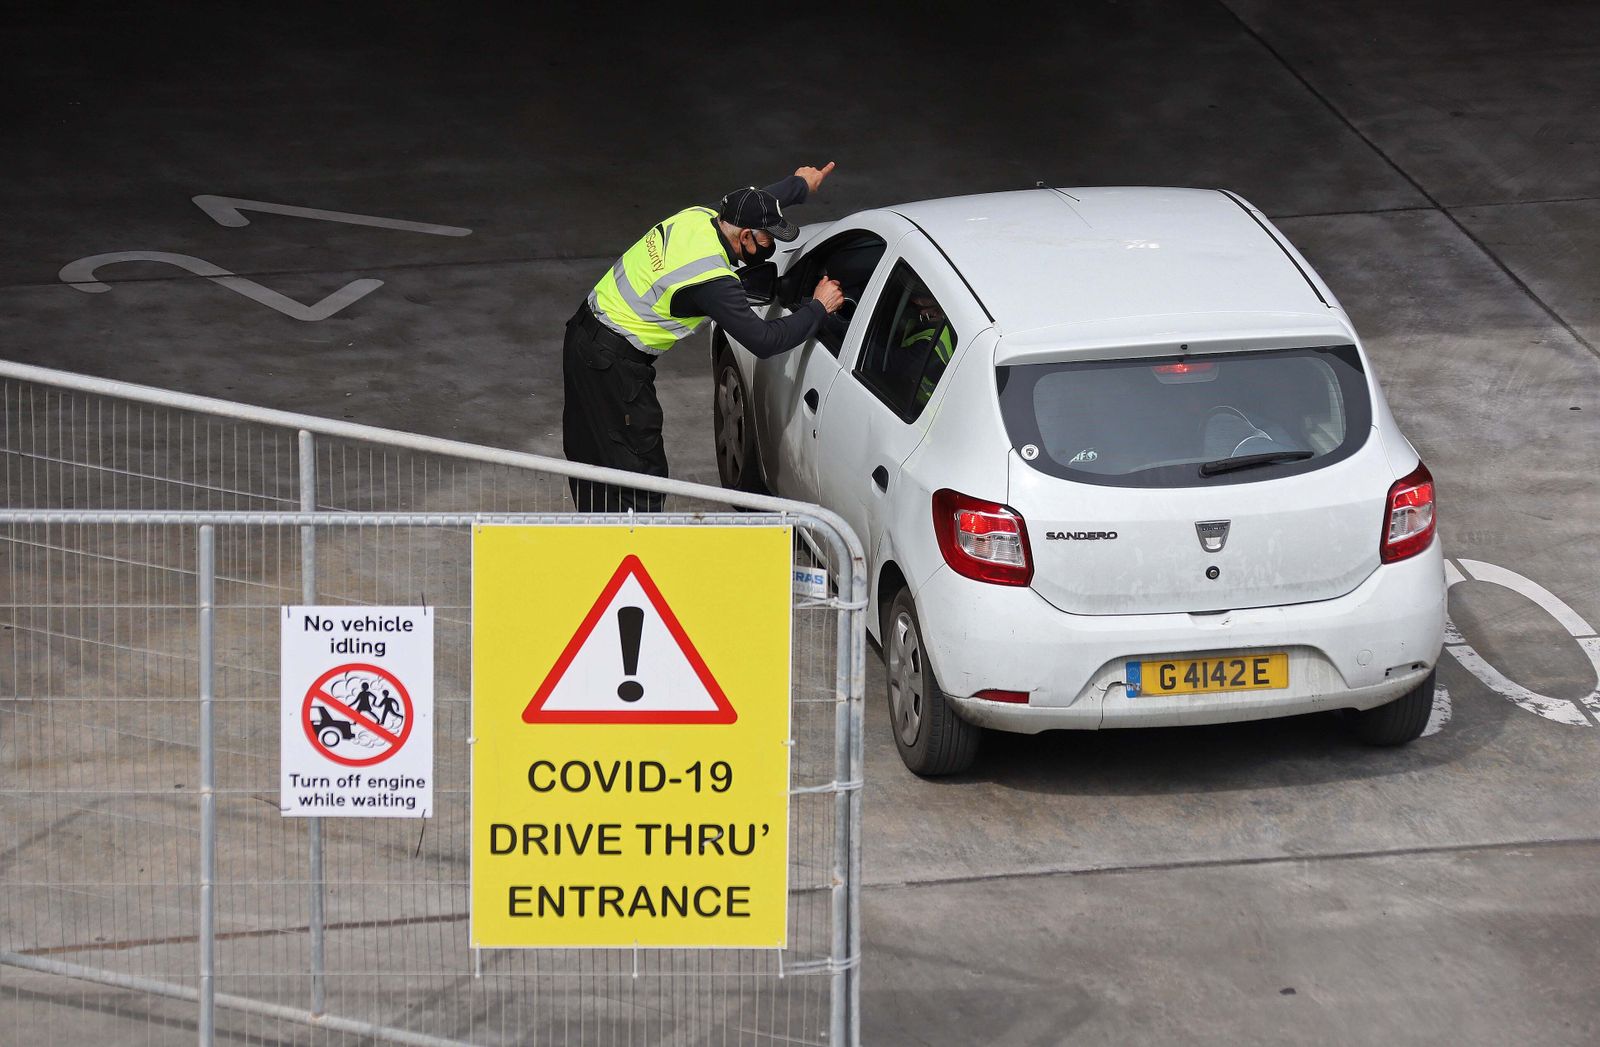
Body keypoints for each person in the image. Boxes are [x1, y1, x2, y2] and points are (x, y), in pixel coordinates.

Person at [563, 164, 846, 511]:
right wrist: (818, 307)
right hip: (612, 369)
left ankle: (592, 542)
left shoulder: (701, 217)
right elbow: (765, 340)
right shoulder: (711, 279)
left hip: (583, 337)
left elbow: (756, 201)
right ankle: (631, 556)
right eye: (768, 239)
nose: (771, 246)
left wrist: (801, 185)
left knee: (591, 460)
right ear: (745, 238)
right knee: (638, 475)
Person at [900, 292, 954, 408]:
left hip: (919, 409)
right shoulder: (947, 331)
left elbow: (893, 362)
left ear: (937, 311)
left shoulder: (929, 346)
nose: (921, 313)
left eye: (922, 304)